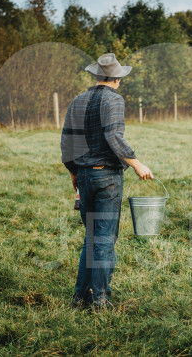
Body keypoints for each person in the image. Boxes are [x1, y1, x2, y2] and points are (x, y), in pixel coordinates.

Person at [61, 53, 153, 310]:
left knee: (91, 238)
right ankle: (100, 300)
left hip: (85, 177)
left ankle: (79, 299)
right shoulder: (114, 99)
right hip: (106, 178)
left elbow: (66, 141)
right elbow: (114, 136)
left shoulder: (77, 101)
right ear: (116, 78)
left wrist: (74, 173)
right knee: (103, 239)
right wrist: (137, 164)